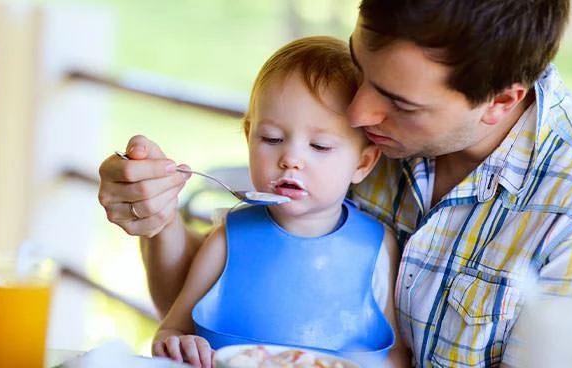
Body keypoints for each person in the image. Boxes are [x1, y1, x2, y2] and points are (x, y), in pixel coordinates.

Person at [98, 0, 572, 366]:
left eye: (398, 102)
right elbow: (217, 299)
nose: (360, 111)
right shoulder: (348, 127)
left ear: (500, 101)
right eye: (361, 65)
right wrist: (154, 216)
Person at [147, 36, 407, 367]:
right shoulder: (228, 239)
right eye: (272, 139)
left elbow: (395, 354)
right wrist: (180, 345)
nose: (291, 158)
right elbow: (171, 330)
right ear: (248, 137)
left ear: (362, 163)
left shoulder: (377, 247)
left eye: (320, 146)